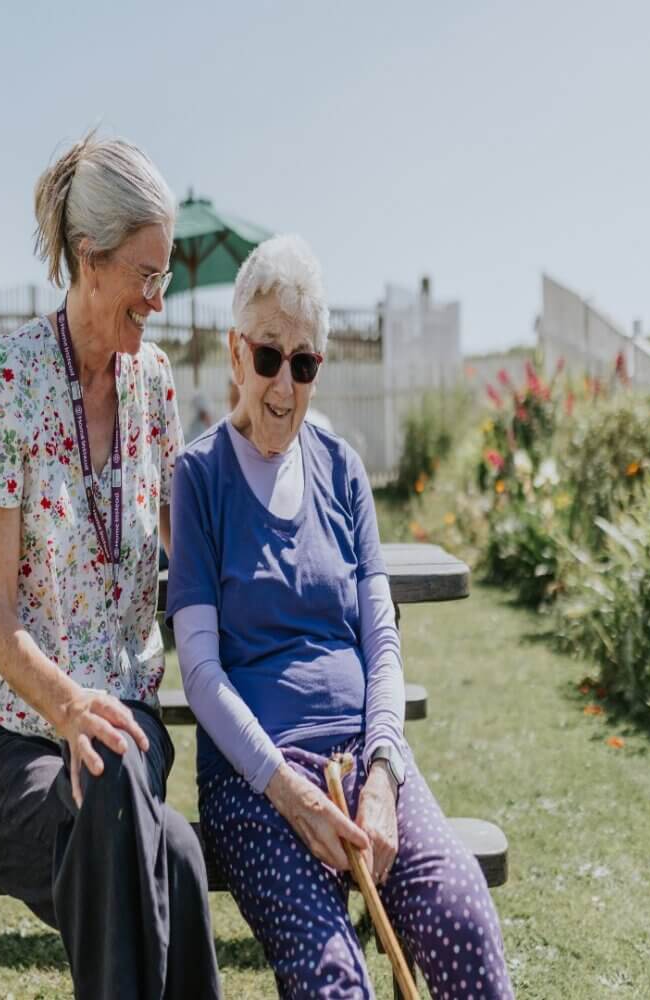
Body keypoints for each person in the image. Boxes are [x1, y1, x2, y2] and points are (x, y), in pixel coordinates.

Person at [167, 235, 513, 999]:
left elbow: (381, 641)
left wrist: (384, 771)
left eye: (304, 362)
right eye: (267, 357)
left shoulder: (344, 467)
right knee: (333, 979)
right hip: (258, 782)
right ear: (235, 353)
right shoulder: (198, 478)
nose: (284, 384)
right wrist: (288, 790)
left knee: (461, 915)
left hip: (367, 758)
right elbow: (199, 671)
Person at [0, 133, 221, 1000]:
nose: (160, 297)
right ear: (89, 260)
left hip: (131, 742)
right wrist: (71, 709)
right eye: (146, 275)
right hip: (21, 752)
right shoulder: (9, 378)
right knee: (172, 856)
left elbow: (190, 554)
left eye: (166, 273)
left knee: (118, 786)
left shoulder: (155, 384)